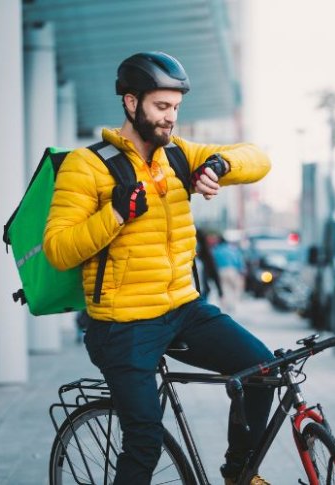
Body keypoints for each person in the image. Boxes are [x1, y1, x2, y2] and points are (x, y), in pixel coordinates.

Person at [43, 52, 273, 485]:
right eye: (161, 107)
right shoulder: (86, 165)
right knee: (144, 441)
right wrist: (114, 215)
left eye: (176, 108)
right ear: (131, 103)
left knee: (262, 370)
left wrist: (221, 165)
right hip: (123, 324)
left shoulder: (179, 156)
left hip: (183, 310)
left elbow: (258, 157)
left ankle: (238, 473)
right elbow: (58, 249)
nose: (171, 119)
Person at [212, 234, 246, 313]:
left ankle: (226, 305)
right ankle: (232, 305)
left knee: (225, 288)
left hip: (221, 271)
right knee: (234, 288)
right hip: (232, 270)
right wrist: (241, 270)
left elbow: (213, 262)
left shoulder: (216, 250)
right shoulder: (232, 249)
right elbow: (238, 260)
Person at [196, 228, 223, 302]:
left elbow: (214, 273)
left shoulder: (206, 257)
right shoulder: (183, 257)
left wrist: (220, 291)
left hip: (203, 293)